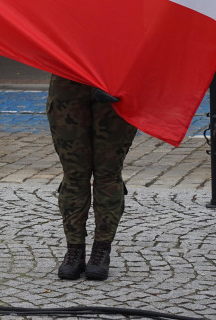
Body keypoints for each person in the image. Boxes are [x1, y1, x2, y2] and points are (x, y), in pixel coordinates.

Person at [46, 74, 139, 280]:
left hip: (117, 79)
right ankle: (74, 250)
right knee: (74, 173)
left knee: (108, 173)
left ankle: (101, 250)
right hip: (68, 78)